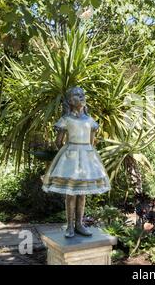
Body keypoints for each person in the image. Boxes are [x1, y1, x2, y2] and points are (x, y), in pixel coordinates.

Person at [43, 87, 110, 238]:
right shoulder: (66, 120)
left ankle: (79, 224)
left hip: (87, 159)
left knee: (82, 193)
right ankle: (70, 226)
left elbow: (92, 143)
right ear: (70, 101)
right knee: (71, 193)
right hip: (71, 159)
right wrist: (67, 154)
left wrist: (86, 154)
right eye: (77, 95)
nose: (81, 97)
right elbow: (59, 142)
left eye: (82, 95)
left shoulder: (90, 121)